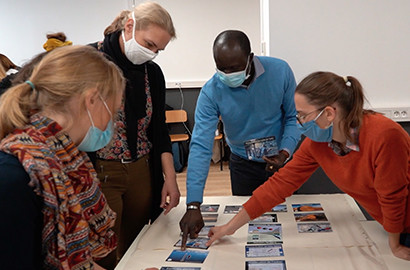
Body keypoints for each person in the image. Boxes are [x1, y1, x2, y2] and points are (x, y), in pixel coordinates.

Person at [206, 71, 410, 261]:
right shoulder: (318, 144)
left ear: (329, 114)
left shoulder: (384, 135)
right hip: (393, 225)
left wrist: (394, 245)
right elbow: (279, 185)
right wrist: (229, 227)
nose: (299, 123)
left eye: (303, 116)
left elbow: (392, 194)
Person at [0, 45, 124, 269]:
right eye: (113, 112)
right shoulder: (15, 177)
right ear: (92, 100)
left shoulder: (68, 162)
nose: (111, 124)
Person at [179, 30, 301, 248]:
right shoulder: (211, 91)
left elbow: (294, 117)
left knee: (288, 231)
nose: (227, 74)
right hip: (242, 164)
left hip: (281, 162)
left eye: (234, 68)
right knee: (247, 231)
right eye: (221, 68)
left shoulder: (280, 71)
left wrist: (285, 151)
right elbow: (200, 146)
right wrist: (193, 205)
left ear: (250, 58)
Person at [88, 2, 180, 268]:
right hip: (100, 170)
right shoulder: (91, 62)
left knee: (140, 242)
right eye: (149, 44)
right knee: (101, 248)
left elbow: (159, 130)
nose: (151, 54)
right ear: (129, 27)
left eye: (158, 50)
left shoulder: (152, 72)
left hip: (141, 167)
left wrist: (170, 179)